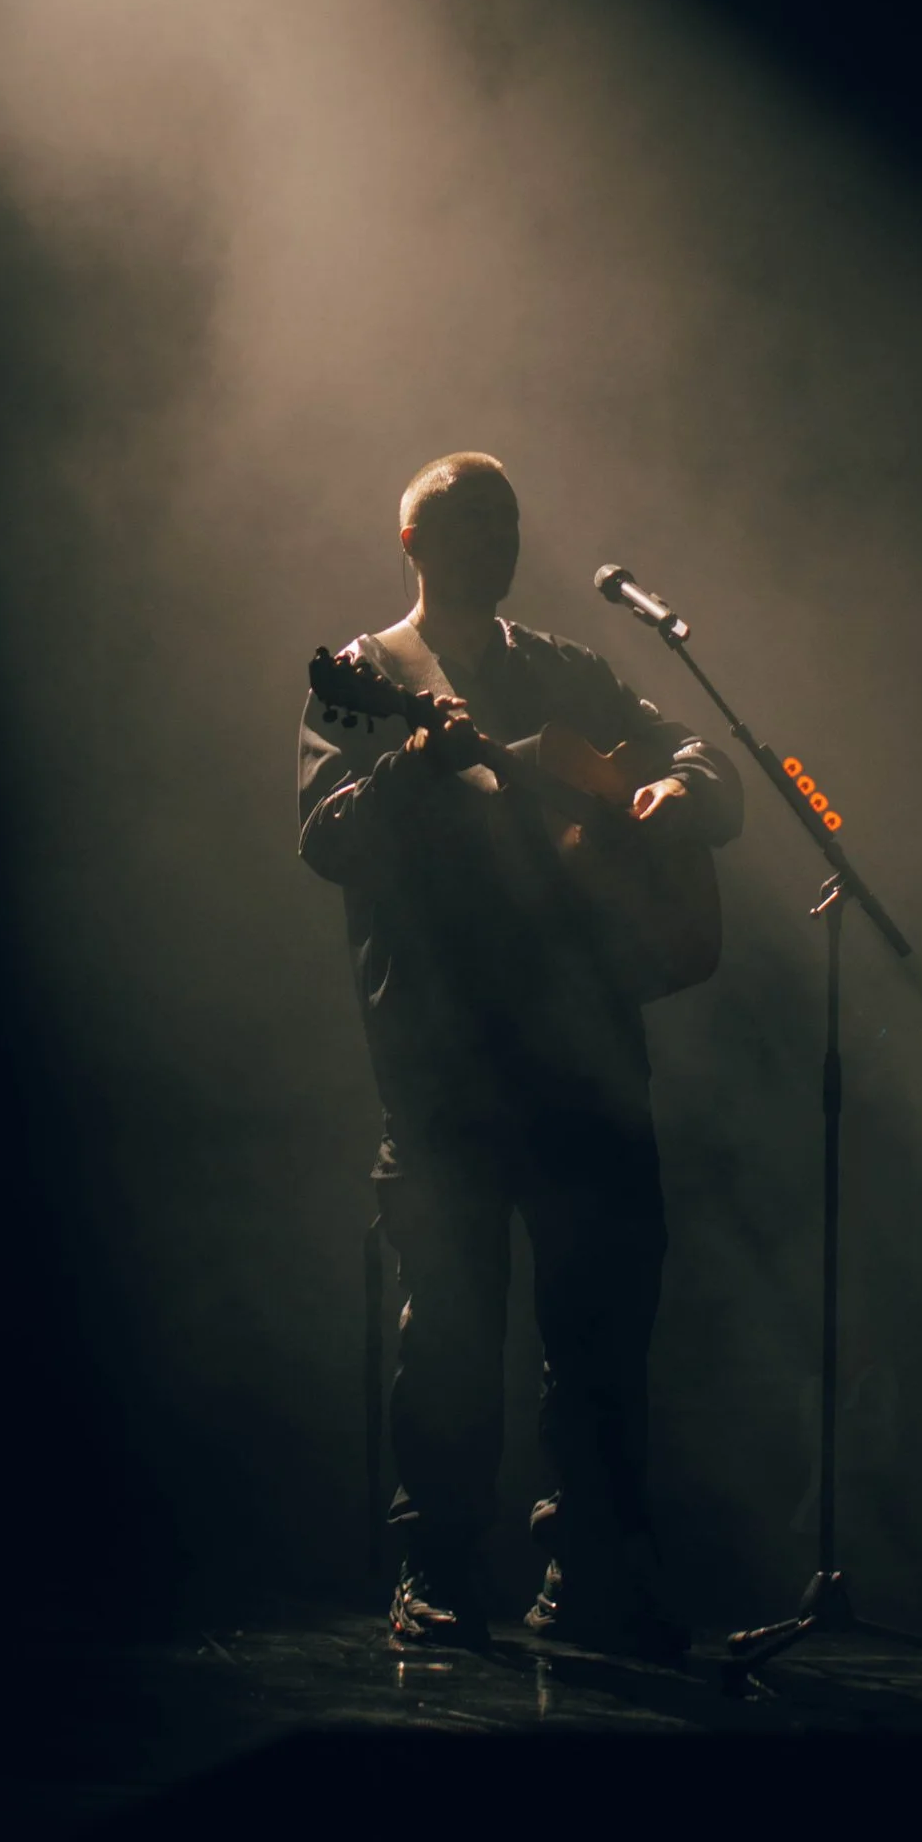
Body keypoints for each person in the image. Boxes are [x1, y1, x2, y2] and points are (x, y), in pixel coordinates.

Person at [297, 451, 742, 1656]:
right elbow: (327, 836)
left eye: (503, 522)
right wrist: (409, 765)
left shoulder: (567, 670)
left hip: (587, 1051)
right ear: (413, 544)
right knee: (448, 1328)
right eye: (464, 523)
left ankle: (590, 1569)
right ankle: (436, 1570)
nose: (491, 541)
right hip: (444, 1061)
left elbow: (703, 760)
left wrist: (674, 795)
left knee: (601, 1325)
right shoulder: (367, 676)